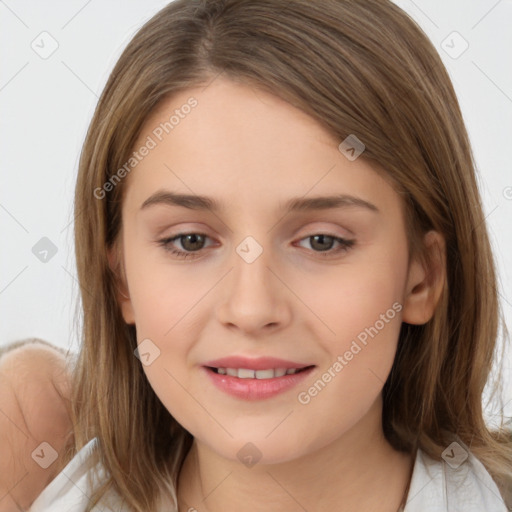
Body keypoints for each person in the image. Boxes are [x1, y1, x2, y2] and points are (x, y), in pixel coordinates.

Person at [3, 0, 512, 510]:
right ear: (122, 281)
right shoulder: (30, 445)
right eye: (190, 241)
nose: (251, 309)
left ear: (422, 278)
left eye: (322, 241)